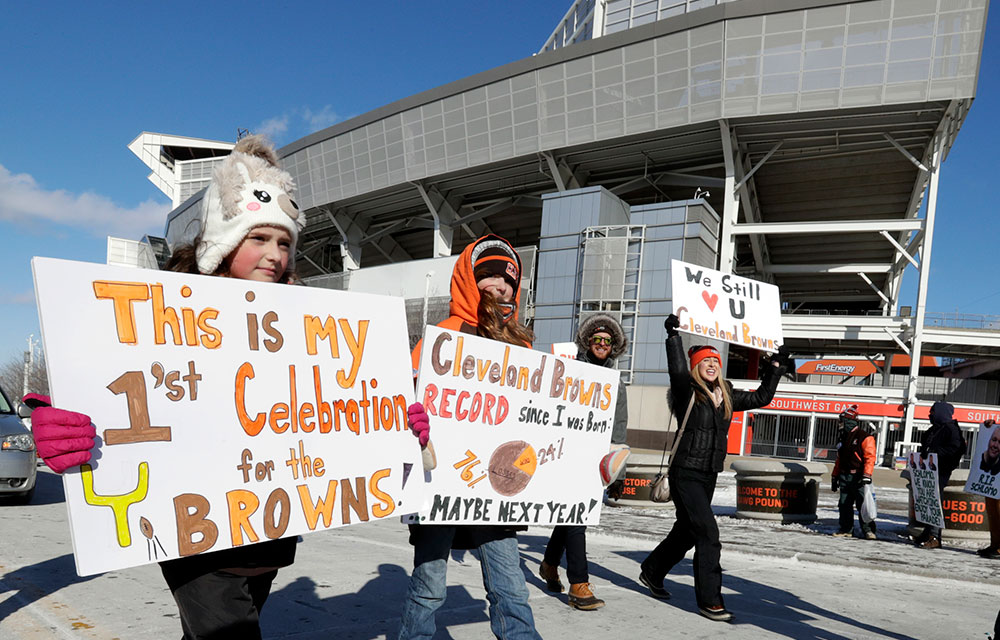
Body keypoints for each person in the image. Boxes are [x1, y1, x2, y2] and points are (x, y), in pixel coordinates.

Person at [28, 135, 304, 639]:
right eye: (258, 238)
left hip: (265, 533)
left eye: (284, 243)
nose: (274, 254)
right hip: (194, 534)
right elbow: (108, 378)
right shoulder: (162, 316)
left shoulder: (312, 332)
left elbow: (334, 412)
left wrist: (394, 421)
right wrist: (61, 419)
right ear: (224, 241)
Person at [399, 234, 541, 640]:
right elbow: (409, 394)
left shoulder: (522, 341)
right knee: (429, 588)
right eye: (488, 277)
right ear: (468, 279)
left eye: (507, 280)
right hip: (441, 486)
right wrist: (415, 418)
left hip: (497, 487)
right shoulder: (443, 334)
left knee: (511, 586)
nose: (499, 286)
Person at [637, 314, 788, 623]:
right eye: (705, 361)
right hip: (685, 474)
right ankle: (710, 600)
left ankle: (652, 570)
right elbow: (676, 369)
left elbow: (762, 396)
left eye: (715, 361)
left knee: (688, 531)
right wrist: (673, 336)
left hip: (708, 475)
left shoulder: (727, 395)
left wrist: (775, 367)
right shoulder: (686, 392)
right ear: (695, 366)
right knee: (708, 533)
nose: (711, 364)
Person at [538, 313, 630, 611]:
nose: (602, 344)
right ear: (588, 342)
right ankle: (579, 583)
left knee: (572, 517)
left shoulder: (616, 383)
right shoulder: (572, 368)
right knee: (577, 518)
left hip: (595, 461)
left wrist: (619, 474)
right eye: (597, 339)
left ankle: (550, 565)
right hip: (567, 453)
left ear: (613, 346)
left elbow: (619, 428)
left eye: (607, 341)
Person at [914, 400, 966, 549]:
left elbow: (956, 450)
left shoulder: (951, 430)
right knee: (927, 500)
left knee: (935, 502)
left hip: (941, 470)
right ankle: (927, 532)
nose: (930, 415)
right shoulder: (934, 429)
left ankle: (935, 536)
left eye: (933, 412)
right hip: (929, 471)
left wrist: (934, 454)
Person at [830, 405, 878, 539]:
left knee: (864, 504)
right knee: (844, 504)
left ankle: (868, 530)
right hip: (845, 476)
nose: (840, 424)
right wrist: (835, 476)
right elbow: (839, 459)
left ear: (849, 422)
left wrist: (867, 475)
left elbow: (870, 457)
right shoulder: (843, 437)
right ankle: (846, 529)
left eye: (842, 421)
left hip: (859, 477)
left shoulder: (865, 437)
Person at [975, 420, 1000, 559]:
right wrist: (990, 427)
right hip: (995, 482)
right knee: (992, 511)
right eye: (994, 439)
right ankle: (995, 544)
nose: (995, 444)